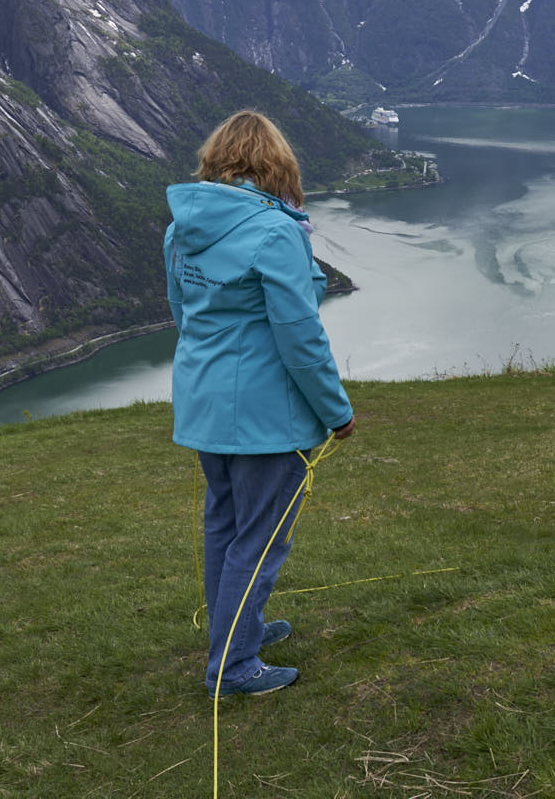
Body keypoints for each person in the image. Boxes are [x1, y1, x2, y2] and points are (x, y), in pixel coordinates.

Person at [165, 110, 356, 697]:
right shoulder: (275, 232)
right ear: (275, 164)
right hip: (266, 417)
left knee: (224, 525)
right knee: (262, 537)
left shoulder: (182, 228)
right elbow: (299, 336)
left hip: (205, 405)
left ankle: (239, 630)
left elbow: (183, 316)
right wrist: (336, 410)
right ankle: (235, 665)